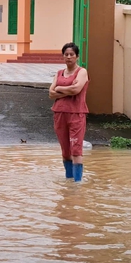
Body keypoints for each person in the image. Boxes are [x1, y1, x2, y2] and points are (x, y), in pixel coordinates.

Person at [49, 42, 89, 182]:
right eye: (66, 54)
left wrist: (59, 88)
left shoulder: (82, 72)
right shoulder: (59, 73)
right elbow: (51, 93)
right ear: (63, 56)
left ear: (77, 56)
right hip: (59, 114)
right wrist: (64, 90)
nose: (69, 57)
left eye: (72, 54)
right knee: (66, 152)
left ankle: (77, 184)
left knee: (76, 150)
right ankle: (69, 182)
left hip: (76, 114)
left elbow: (76, 90)